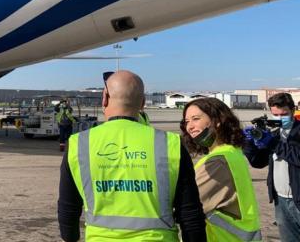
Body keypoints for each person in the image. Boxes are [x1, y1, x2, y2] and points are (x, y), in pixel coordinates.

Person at [58, 70, 206, 242]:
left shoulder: (79, 144)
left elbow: (68, 210)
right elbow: (190, 214)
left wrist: (70, 237)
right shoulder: (170, 144)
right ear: (142, 103)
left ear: (104, 98)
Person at [182, 97, 261, 242]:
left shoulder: (218, 161)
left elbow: (186, 205)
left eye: (196, 119)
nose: (190, 127)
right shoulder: (231, 152)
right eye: (187, 121)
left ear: (217, 121)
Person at [244, 92, 300, 241]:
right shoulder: (274, 134)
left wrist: (273, 144)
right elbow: (258, 162)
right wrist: (249, 143)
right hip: (280, 200)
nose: (280, 118)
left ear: (293, 110)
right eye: (276, 114)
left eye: (284, 114)